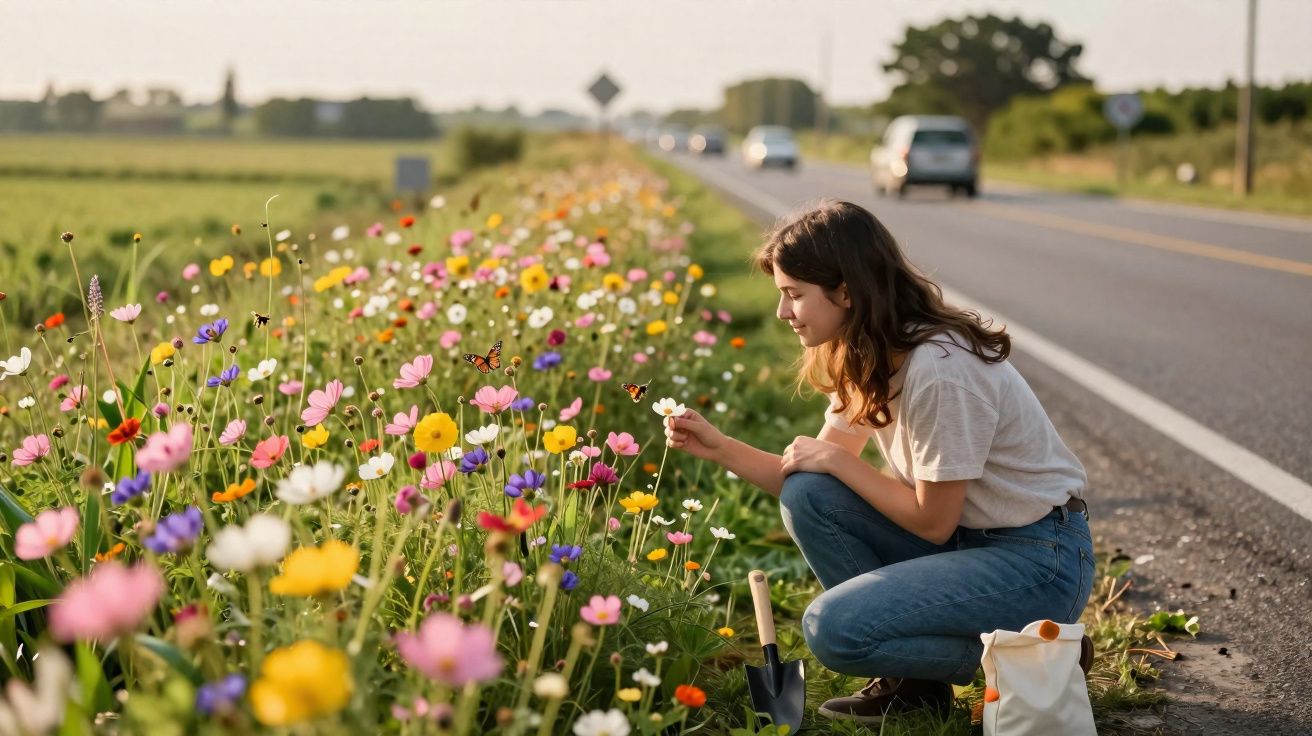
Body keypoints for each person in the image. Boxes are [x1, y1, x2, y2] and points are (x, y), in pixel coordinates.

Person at [663, 200, 1095, 725]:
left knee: (834, 629)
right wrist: (718, 446)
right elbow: (805, 477)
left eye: (794, 295)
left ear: (846, 291)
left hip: (1036, 560)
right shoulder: (873, 354)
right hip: (970, 540)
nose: (783, 313)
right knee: (808, 493)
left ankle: (1044, 658)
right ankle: (916, 685)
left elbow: (932, 523)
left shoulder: (941, 370)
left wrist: (841, 464)